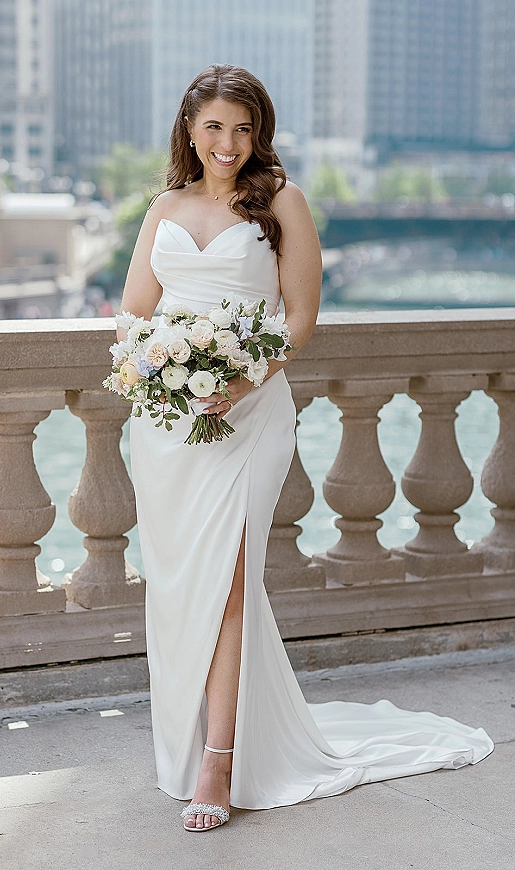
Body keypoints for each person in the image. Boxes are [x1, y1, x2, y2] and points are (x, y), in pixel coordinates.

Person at [117, 64, 493, 833]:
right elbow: (134, 312)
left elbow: (300, 318)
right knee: (181, 585)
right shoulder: (164, 206)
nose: (228, 143)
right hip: (166, 425)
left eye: (243, 128)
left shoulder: (282, 202)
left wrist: (238, 381)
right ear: (190, 130)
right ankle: (194, 736)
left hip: (249, 415)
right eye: (215, 127)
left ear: (261, 134)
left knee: (227, 581)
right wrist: (164, 371)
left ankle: (219, 762)